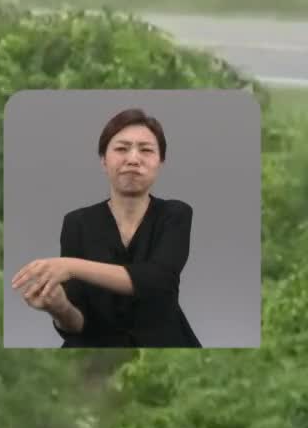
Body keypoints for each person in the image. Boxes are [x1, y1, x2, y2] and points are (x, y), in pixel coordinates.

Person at [11, 107, 202, 347]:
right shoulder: (77, 222)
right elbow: (76, 324)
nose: (133, 159)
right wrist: (59, 307)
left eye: (146, 150)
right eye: (121, 149)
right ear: (104, 160)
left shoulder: (175, 214)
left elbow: (158, 280)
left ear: (161, 162)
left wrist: (70, 266)